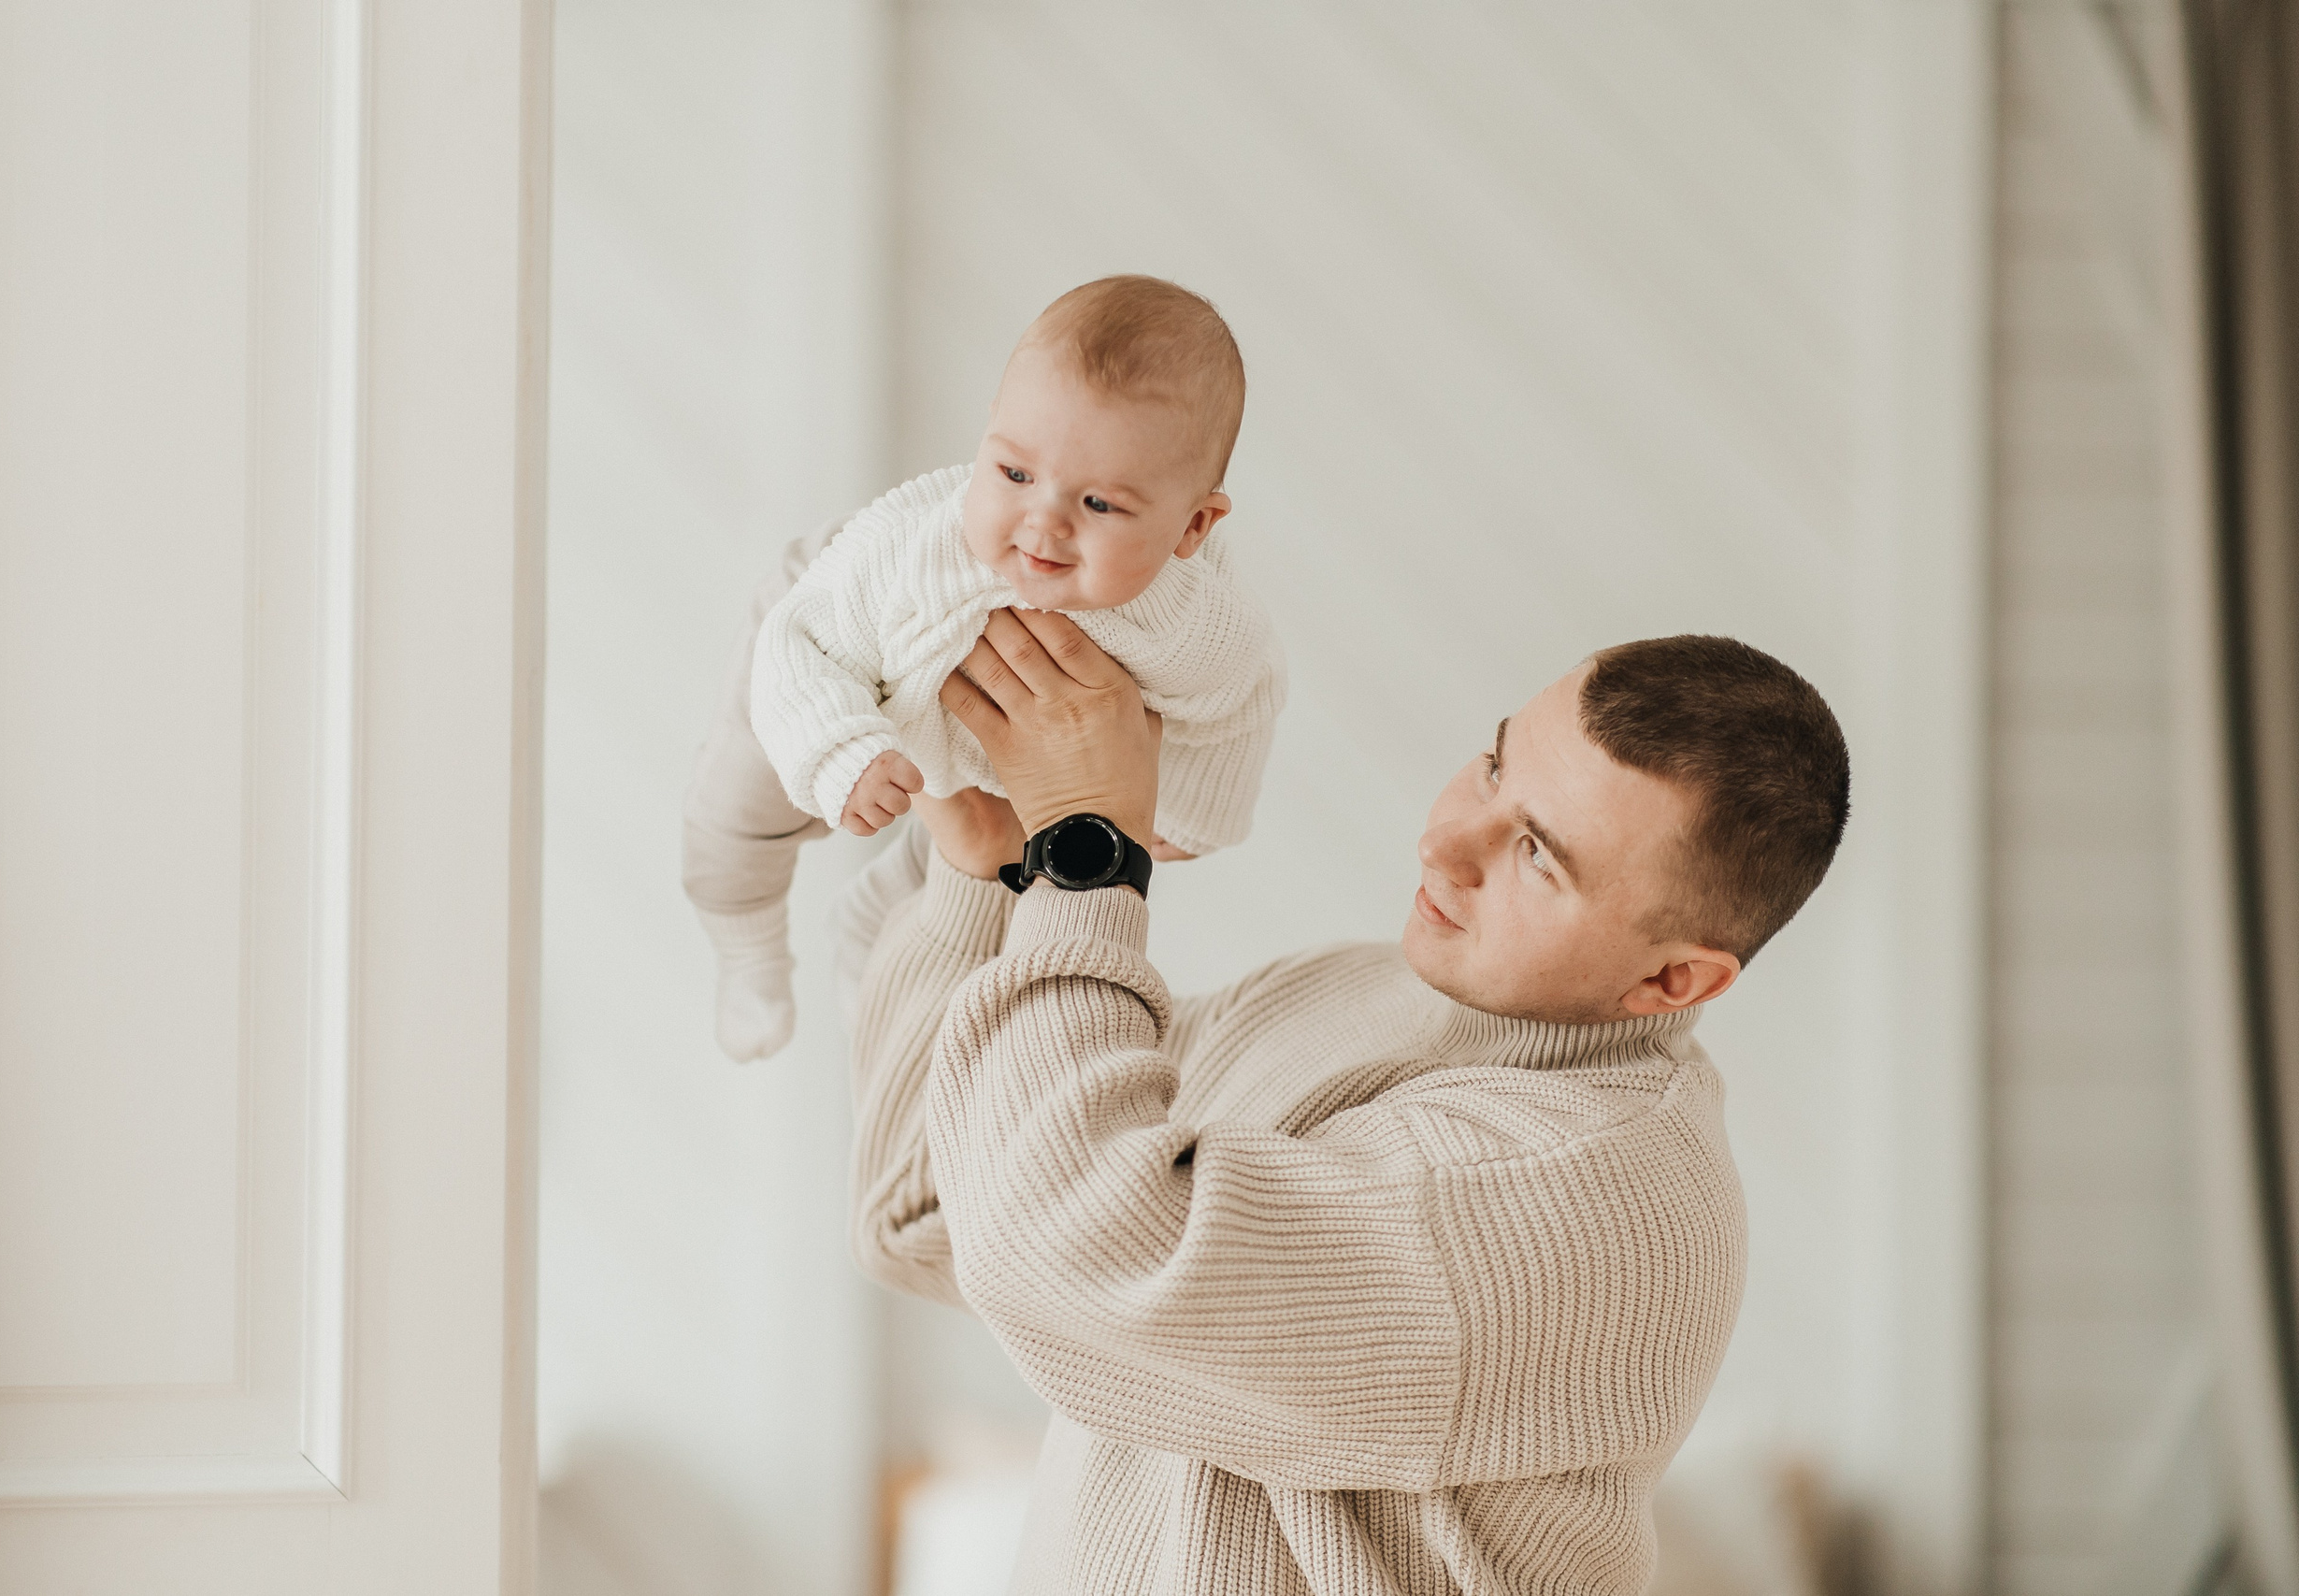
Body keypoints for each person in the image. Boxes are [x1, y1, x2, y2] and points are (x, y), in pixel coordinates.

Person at [843, 614, 1848, 1594]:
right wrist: (988, 874)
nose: (1446, 841)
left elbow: (1068, 1252)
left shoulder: (1590, 1193)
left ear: (1676, 981)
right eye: (1494, 766)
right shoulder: (1357, 991)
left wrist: (1089, 855)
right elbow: (927, 1210)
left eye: (1537, 855)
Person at [682, 276, 1286, 1061]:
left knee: (963, 892)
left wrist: (1190, 814)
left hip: (959, 744)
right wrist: (841, 750)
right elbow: (799, 644)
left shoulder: (1192, 621)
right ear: (987, 437)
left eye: (1099, 505)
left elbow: (1241, 698)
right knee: (739, 809)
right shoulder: (909, 556)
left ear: (1193, 525)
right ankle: (746, 944)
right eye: (1013, 474)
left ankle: (874, 990)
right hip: (837, 636)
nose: (1045, 522)